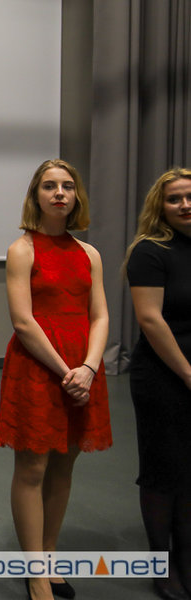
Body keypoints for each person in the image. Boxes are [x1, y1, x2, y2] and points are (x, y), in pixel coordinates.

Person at [0, 159, 112, 600]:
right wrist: (67, 372)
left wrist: (89, 368)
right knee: (33, 467)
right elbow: (23, 321)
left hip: (83, 367)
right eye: (49, 186)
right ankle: (35, 573)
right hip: (39, 367)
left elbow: (100, 316)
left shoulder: (89, 254)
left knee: (64, 464)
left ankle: (49, 555)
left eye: (67, 186)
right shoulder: (22, 249)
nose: (59, 193)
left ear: (76, 196)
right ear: (36, 196)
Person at [124, 168, 191, 600]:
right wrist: (188, 373)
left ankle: (186, 558)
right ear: (160, 207)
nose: (185, 205)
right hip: (163, 375)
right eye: (175, 199)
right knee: (164, 471)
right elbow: (150, 319)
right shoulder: (150, 251)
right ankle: (160, 566)